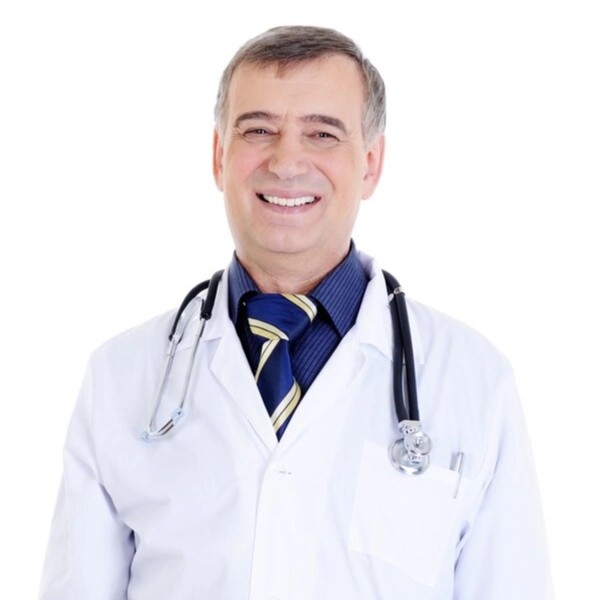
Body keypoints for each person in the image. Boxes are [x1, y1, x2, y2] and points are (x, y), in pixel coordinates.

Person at [39, 25, 553, 600]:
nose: (286, 162)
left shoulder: (474, 380)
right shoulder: (121, 378)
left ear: (371, 163)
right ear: (219, 156)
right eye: (258, 129)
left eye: (323, 133)